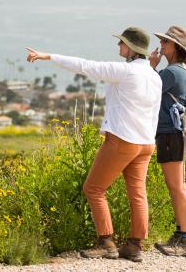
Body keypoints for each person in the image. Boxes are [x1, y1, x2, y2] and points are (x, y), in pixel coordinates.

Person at [26, 26, 162, 262]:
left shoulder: (125, 71)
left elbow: (86, 66)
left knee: (94, 188)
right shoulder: (154, 75)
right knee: (138, 194)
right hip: (146, 143)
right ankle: (134, 246)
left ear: (130, 48)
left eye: (121, 43)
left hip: (123, 140)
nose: (118, 46)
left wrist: (48, 56)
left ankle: (106, 242)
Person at [149, 25, 186, 257]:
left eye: (165, 42)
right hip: (175, 134)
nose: (161, 45)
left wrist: (150, 67)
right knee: (177, 186)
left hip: (170, 134)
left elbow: (147, 91)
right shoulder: (180, 71)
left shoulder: (172, 73)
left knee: (177, 186)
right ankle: (181, 235)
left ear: (176, 47)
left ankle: (185, 239)